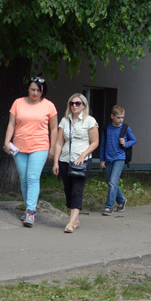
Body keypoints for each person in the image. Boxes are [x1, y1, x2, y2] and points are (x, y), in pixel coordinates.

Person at [2, 76, 58, 227]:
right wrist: (7, 142)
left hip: (40, 146)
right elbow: (11, 124)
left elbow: (54, 128)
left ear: (43, 91)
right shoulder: (18, 103)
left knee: (33, 178)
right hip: (19, 147)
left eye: (39, 90)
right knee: (24, 179)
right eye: (33, 89)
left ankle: (31, 212)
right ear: (28, 89)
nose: (35, 93)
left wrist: (52, 148)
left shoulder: (49, 106)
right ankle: (29, 208)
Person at [51, 93, 99, 234]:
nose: (74, 106)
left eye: (77, 103)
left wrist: (83, 155)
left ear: (83, 105)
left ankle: (71, 223)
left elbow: (95, 142)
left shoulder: (89, 121)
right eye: (72, 103)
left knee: (77, 191)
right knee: (68, 190)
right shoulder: (65, 121)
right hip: (65, 159)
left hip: (81, 161)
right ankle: (76, 219)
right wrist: (56, 162)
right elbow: (59, 143)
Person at [99, 104, 137, 216]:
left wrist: (125, 143)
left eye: (122, 118)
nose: (120, 120)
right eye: (118, 117)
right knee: (111, 182)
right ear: (112, 116)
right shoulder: (107, 128)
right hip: (108, 158)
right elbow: (103, 145)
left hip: (120, 158)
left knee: (112, 182)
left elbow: (134, 140)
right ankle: (121, 200)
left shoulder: (125, 128)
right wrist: (102, 159)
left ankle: (109, 206)